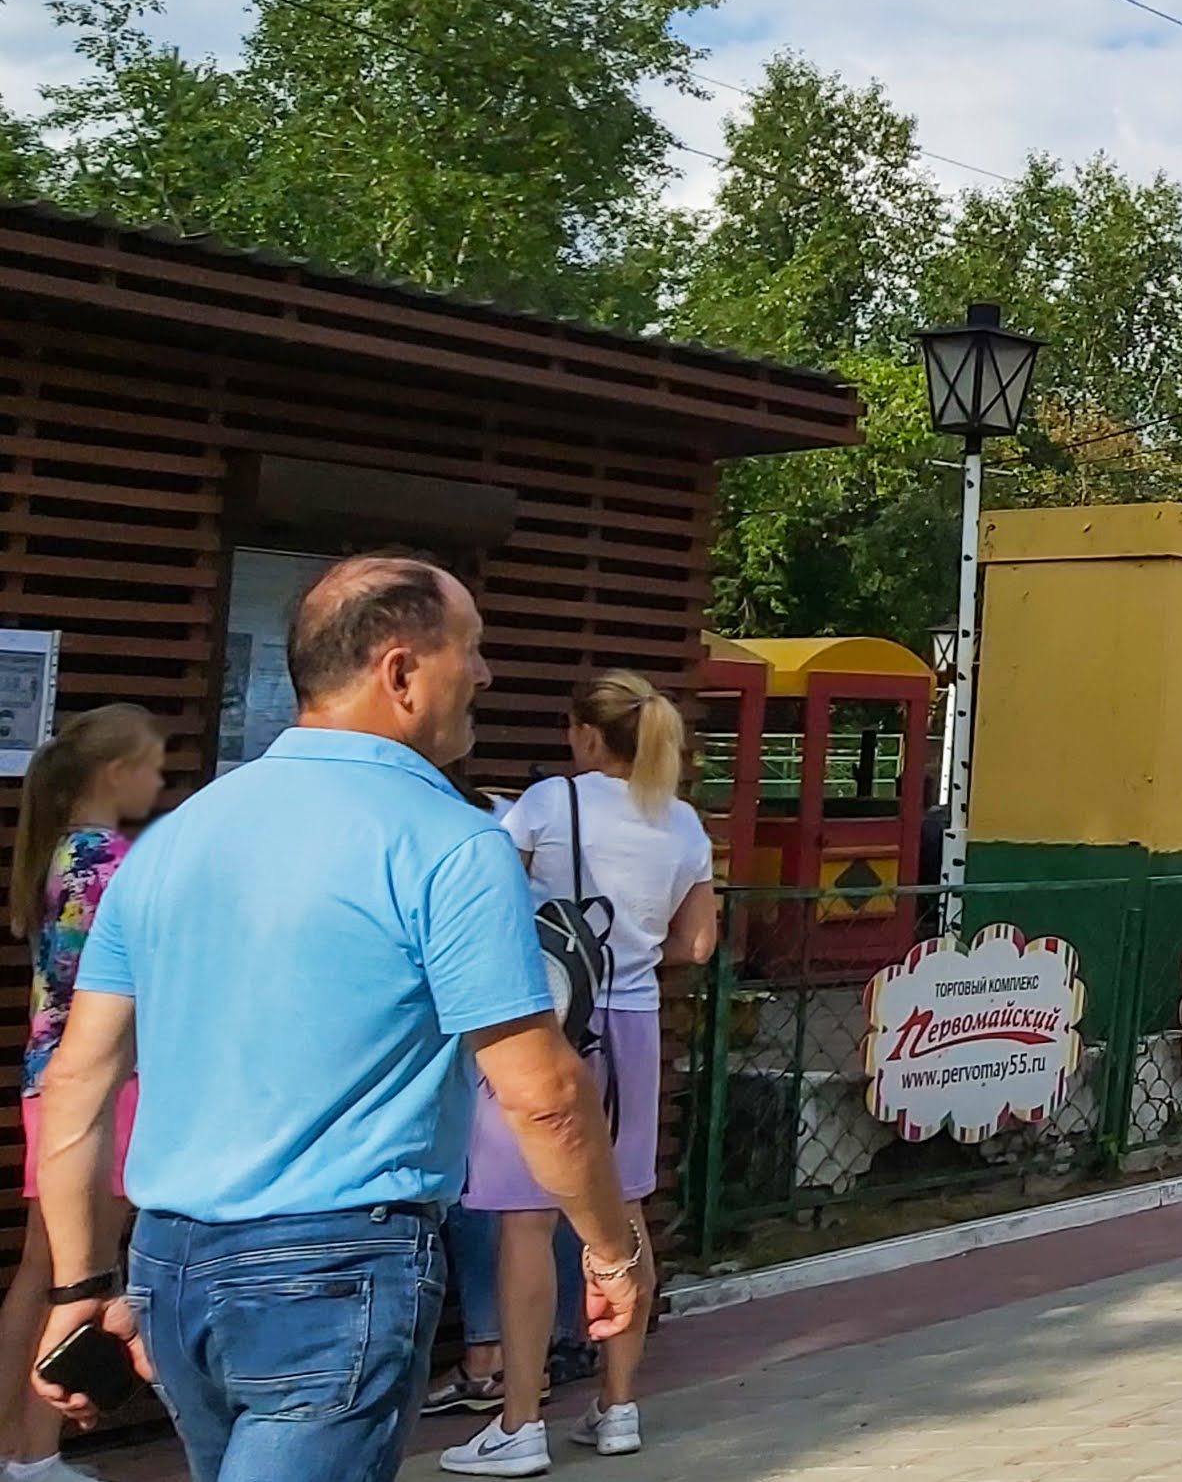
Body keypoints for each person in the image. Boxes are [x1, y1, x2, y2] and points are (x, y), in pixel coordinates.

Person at [27, 555, 642, 1482]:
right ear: (399, 672)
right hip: (334, 1263)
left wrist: (77, 1283)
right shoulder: (451, 841)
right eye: (469, 651)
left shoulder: (172, 840)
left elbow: (77, 1080)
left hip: (169, 1260)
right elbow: (545, 1091)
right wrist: (610, 1246)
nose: (485, 675)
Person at [439, 675, 719, 1474]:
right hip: (632, 1023)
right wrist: (627, 955)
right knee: (621, 1210)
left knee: (526, 1219)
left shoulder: (545, 801)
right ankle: (619, 1405)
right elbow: (696, 943)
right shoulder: (682, 820)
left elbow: (489, 898)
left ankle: (519, 1420)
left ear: (589, 736)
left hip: (542, 1016)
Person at [0, 708, 166, 1482]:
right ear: (115, 773)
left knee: (43, 1271)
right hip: (107, 1085)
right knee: (82, 1273)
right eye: (153, 766)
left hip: (48, 1082)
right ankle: (38, 1452)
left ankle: (15, 1444)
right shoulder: (112, 862)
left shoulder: (58, 853)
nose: (160, 781)